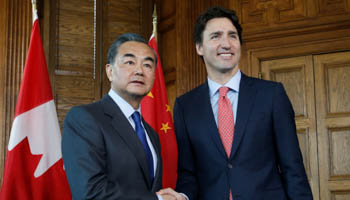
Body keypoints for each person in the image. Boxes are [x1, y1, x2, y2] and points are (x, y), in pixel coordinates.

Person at [171, 6, 313, 200]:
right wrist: (182, 197)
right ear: (199, 47)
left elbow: (293, 167)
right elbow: (188, 174)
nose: (226, 43)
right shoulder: (185, 106)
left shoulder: (271, 95)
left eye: (232, 36)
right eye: (216, 36)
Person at [62, 33, 182, 200]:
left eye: (147, 65)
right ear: (110, 71)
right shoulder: (84, 119)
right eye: (130, 62)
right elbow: (89, 193)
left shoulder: (151, 134)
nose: (139, 71)